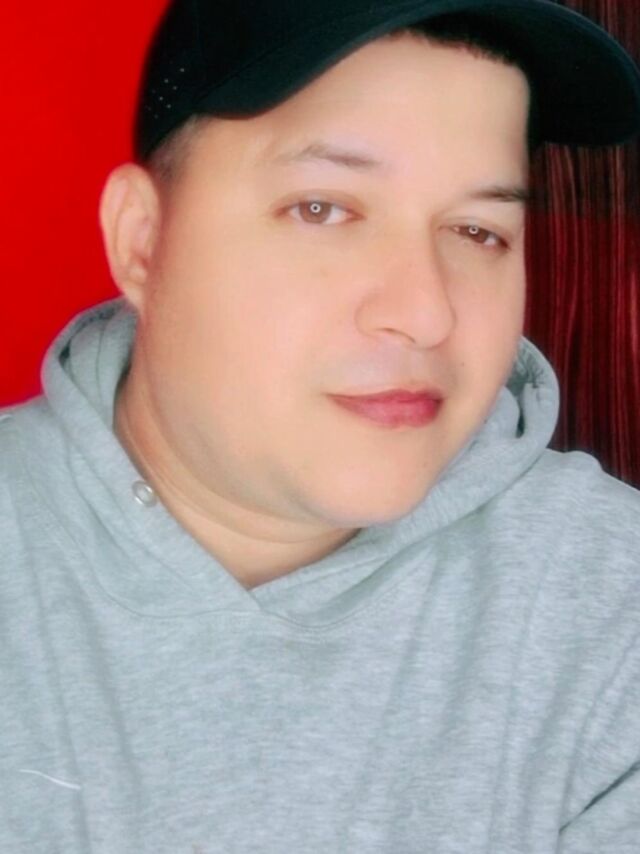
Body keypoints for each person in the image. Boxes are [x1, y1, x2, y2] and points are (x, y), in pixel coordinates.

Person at [1, 0, 640, 851]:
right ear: (143, 241)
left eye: (477, 230)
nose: (426, 312)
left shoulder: (613, 613)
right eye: (323, 210)